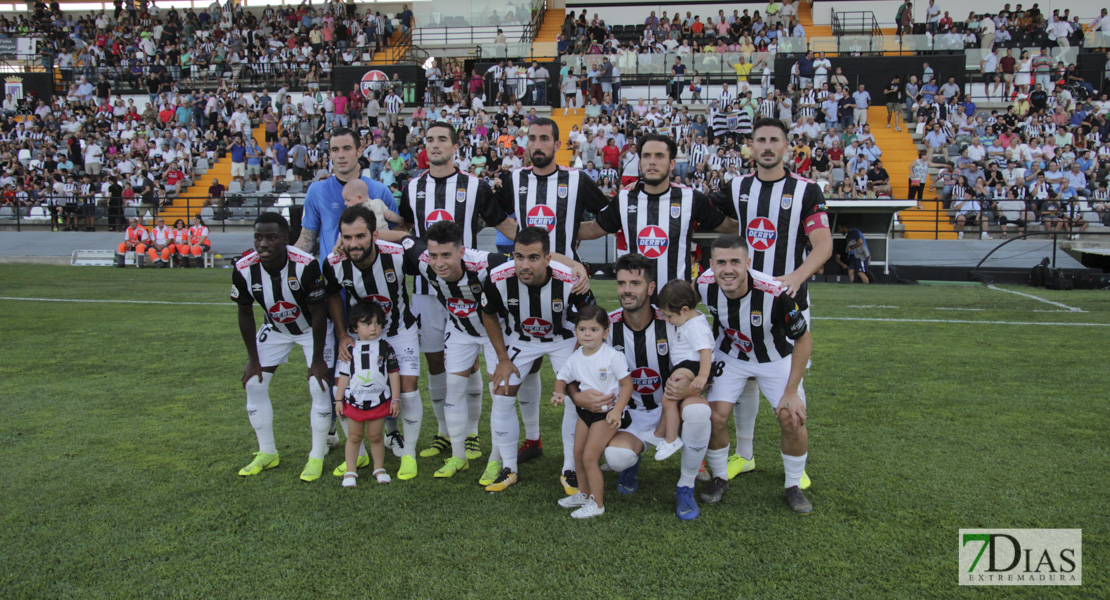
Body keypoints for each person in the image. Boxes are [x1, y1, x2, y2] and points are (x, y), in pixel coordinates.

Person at [383, 122, 522, 462]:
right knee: (434, 361)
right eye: (429, 139)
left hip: (468, 289)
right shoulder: (412, 186)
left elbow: (506, 225)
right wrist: (377, 219)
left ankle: (470, 433)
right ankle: (445, 431)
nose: (434, 145)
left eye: (442, 139)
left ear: (456, 146)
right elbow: (403, 230)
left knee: (469, 361)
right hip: (427, 287)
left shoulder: (475, 186)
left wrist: (547, 251)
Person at [708, 117, 829, 482]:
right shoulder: (737, 186)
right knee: (741, 379)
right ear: (751, 147)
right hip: (739, 302)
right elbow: (722, 222)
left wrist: (794, 277)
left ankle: (795, 472)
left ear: (786, 147)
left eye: (774, 140)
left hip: (786, 301)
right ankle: (744, 455)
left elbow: (824, 244)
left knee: (787, 385)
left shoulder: (807, 190)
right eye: (760, 140)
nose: (767, 146)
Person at [494, 117, 611, 473]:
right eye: (532, 139)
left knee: (577, 379)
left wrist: (571, 248)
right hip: (526, 279)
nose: (538, 144)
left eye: (545, 138)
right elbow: (492, 212)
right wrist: (526, 241)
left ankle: (571, 466)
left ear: (558, 144)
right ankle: (527, 444)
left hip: (568, 287)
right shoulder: (513, 180)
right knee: (525, 370)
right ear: (526, 144)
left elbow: (608, 217)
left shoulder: (576, 179)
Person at [689, 235, 814, 513]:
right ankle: (720, 477)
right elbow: (678, 307)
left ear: (748, 262)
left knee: (791, 417)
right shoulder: (703, 285)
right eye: (721, 262)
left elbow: (804, 340)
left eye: (735, 261)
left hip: (774, 358)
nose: (728, 269)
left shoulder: (775, 293)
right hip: (730, 356)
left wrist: (791, 392)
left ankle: (793, 485)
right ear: (711, 265)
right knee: (714, 416)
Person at [480, 226, 595, 494]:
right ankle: (509, 468)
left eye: (533, 258)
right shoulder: (498, 278)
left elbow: (588, 320)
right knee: (501, 392)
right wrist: (502, 358)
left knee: (574, 393)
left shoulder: (570, 279)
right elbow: (488, 313)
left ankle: (570, 468)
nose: (525, 265)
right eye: (519, 257)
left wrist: (574, 365)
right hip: (521, 338)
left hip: (564, 338)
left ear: (547, 259)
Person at [231, 213, 334, 482]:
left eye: (271, 237)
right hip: (276, 330)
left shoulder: (305, 265)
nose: (263, 243)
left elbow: (320, 313)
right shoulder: (244, 267)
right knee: (254, 383)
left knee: (319, 385)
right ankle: (267, 452)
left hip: (312, 330)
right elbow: (244, 313)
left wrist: (318, 360)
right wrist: (252, 359)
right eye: (258, 237)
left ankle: (316, 456)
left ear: (285, 239)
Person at [323, 205, 424, 481]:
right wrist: (344, 334)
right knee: (341, 388)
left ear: (374, 235)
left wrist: (399, 236)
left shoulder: (398, 256)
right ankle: (358, 454)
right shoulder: (334, 262)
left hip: (399, 329)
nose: (353, 244)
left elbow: (423, 251)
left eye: (360, 236)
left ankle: (409, 454)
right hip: (360, 334)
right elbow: (332, 294)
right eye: (347, 237)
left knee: (408, 388)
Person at [579, 133, 738, 293]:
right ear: (640, 163)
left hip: (677, 306)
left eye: (660, 156)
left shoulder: (691, 198)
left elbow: (728, 227)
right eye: (647, 156)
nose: (652, 161)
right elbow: (594, 229)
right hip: (636, 307)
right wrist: (555, 230)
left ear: (672, 164)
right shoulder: (625, 198)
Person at [550, 304, 633, 519]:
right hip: (585, 413)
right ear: (576, 331)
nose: (587, 334)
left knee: (589, 457)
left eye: (594, 330)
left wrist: (618, 411)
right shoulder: (576, 356)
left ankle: (597, 504)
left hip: (607, 414)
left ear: (605, 332)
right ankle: (584, 494)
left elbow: (627, 385)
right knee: (577, 454)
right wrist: (559, 392)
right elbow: (562, 378)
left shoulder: (612, 356)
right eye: (582, 329)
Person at [294, 127, 396, 259]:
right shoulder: (316, 190)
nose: (341, 155)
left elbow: (397, 234)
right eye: (335, 150)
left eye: (347, 148)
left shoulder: (380, 190)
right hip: (332, 275)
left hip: (373, 274)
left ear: (359, 151)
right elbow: (307, 240)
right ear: (330, 154)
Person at [334, 302, 401, 487]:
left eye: (377, 323)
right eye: (367, 324)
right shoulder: (350, 350)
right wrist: (338, 400)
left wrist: (395, 399)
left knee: (376, 436)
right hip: (355, 402)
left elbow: (394, 374)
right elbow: (344, 375)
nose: (373, 328)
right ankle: (350, 471)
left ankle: (379, 468)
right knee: (354, 437)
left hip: (378, 402)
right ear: (355, 327)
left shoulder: (386, 348)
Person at [652, 280, 713, 461]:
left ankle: (671, 439)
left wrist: (702, 376)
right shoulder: (690, 321)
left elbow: (706, 352)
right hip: (687, 365)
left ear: (685, 310)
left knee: (669, 398)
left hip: (690, 366)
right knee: (668, 399)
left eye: (669, 316)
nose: (666, 319)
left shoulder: (695, 327)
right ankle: (659, 434)